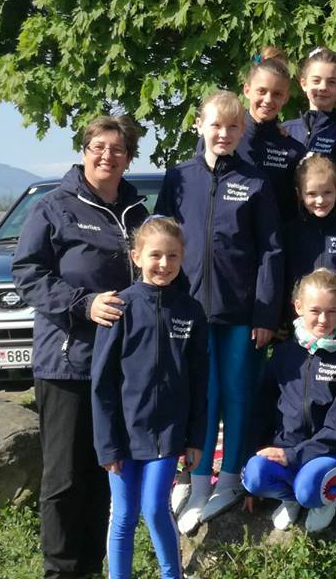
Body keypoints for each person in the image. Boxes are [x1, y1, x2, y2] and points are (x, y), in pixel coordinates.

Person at [12, 115, 149, 579]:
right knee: (65, 477)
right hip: (67, 362)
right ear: (85, 150)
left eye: (118, 149)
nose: (107, 155)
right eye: (99, 147)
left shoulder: (138, 214)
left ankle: (90, 567)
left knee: (104, 471)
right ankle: (61, 570)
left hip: (119, 367)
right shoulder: (54, 207)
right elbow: (27, 273)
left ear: (128, 158)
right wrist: (83, 304)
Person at [155, 90, 283, 534]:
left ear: (242, 130)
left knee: (237, 394)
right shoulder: (179, 178)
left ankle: (229, 479)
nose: (223, 134)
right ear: (199, 126)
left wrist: (265, 314)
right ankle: (196, 480)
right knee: (200, 397)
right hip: (190, 310)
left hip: (241, 314)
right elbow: (160, 238)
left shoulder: (257, 182)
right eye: (215, 125)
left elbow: (271, 252)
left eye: (232, 127)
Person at [91, 217, 208, 579]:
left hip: (168, 434)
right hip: (124, 436)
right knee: (124, 515)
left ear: (182, 258)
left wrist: (196, 438)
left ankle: (172, 574)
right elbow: (102, 383)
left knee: (156, 508)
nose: (164, 263)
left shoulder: (191, 311)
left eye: (172, 256)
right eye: (155, 255)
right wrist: (107, 445)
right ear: (136, 256)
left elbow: (201, 381)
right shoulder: (119, 308)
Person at [242, 268, 336, 533]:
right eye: (315, 311)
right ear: (298, 307)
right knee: (253, 476)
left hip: (331, 455)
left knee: (309, 488)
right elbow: (261, 412)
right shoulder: (283, 354)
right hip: (287, 450)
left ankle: (327, 498)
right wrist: (254, 458)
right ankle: (291, 498)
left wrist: (293, 455)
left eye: (332, 311)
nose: (323, 319)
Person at [196, 47, 305, 220]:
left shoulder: (293, 150)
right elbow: (200, 190)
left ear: (285, 98)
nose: (268, 100)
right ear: (247, 90)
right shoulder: (220, 139)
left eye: (277, 94)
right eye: (261, 91)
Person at [282, 154, 336, 344]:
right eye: (312, 194)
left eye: (327, 192)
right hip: (296, 332)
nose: (320, 200)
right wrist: (282, 320)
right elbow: (282, 280)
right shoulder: (289, 233)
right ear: (299, 194)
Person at [281, 46, 336, 205]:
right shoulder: (285, 130)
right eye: (316, 80)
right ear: (303, 83)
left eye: (331, 82)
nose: (323, 87)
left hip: (327, 217)